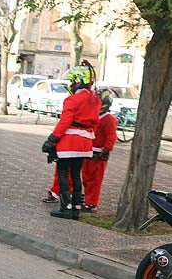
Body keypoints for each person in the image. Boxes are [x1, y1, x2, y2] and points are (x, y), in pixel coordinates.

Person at [42, 63, 101, 219]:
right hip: (85, 143)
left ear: (78, 81)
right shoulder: (95, 100)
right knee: (76, 174)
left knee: (63, 173)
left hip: (69, 142)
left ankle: (65, 207)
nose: (71, 84)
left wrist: (52, 140)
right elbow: (95, 123)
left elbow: (65, 122)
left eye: (73, 81)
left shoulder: (72, 100)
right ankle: (75, 208)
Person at [43, 88, 117, 211]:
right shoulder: (92, 114)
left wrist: (107, 149)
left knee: (92, 179)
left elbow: (111, 136)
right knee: (75, 175)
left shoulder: (108, 119)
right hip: (86, 149)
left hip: (95, 153)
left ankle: (89, 203)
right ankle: (67, 198)